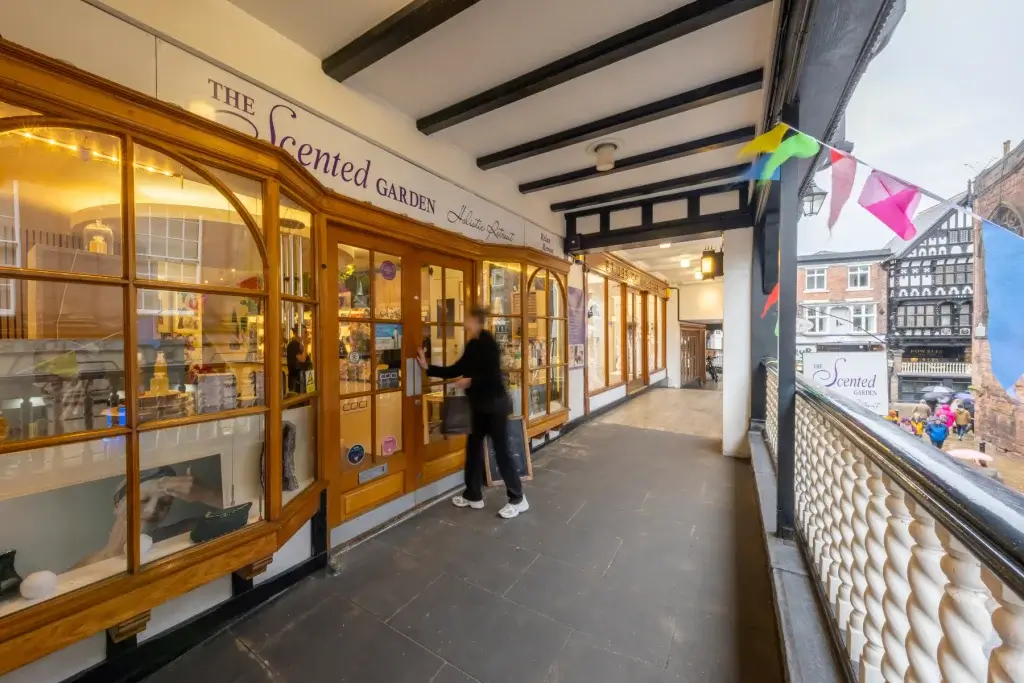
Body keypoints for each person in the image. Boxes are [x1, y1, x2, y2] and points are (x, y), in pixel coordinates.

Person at [417, 306, 528, 519]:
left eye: (467, 318)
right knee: (474, 449)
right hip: (480, 406)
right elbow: (456, 368)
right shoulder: (473, 344)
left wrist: (471, 381)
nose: (464, 321)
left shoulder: (489, 345)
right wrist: (427, 367)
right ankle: (473, 495)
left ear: (476, 320)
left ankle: (518, 498)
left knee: (502, 451)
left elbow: (495, 377)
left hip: (495, 406)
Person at [286, 326, 311, 395]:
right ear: (298, 333)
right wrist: (306, 345)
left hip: (304, 379)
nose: (307, 334)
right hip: (297, 381)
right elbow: (302, 359)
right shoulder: (293, 345)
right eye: (305, 332)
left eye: (307, 332)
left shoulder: (300, 345)